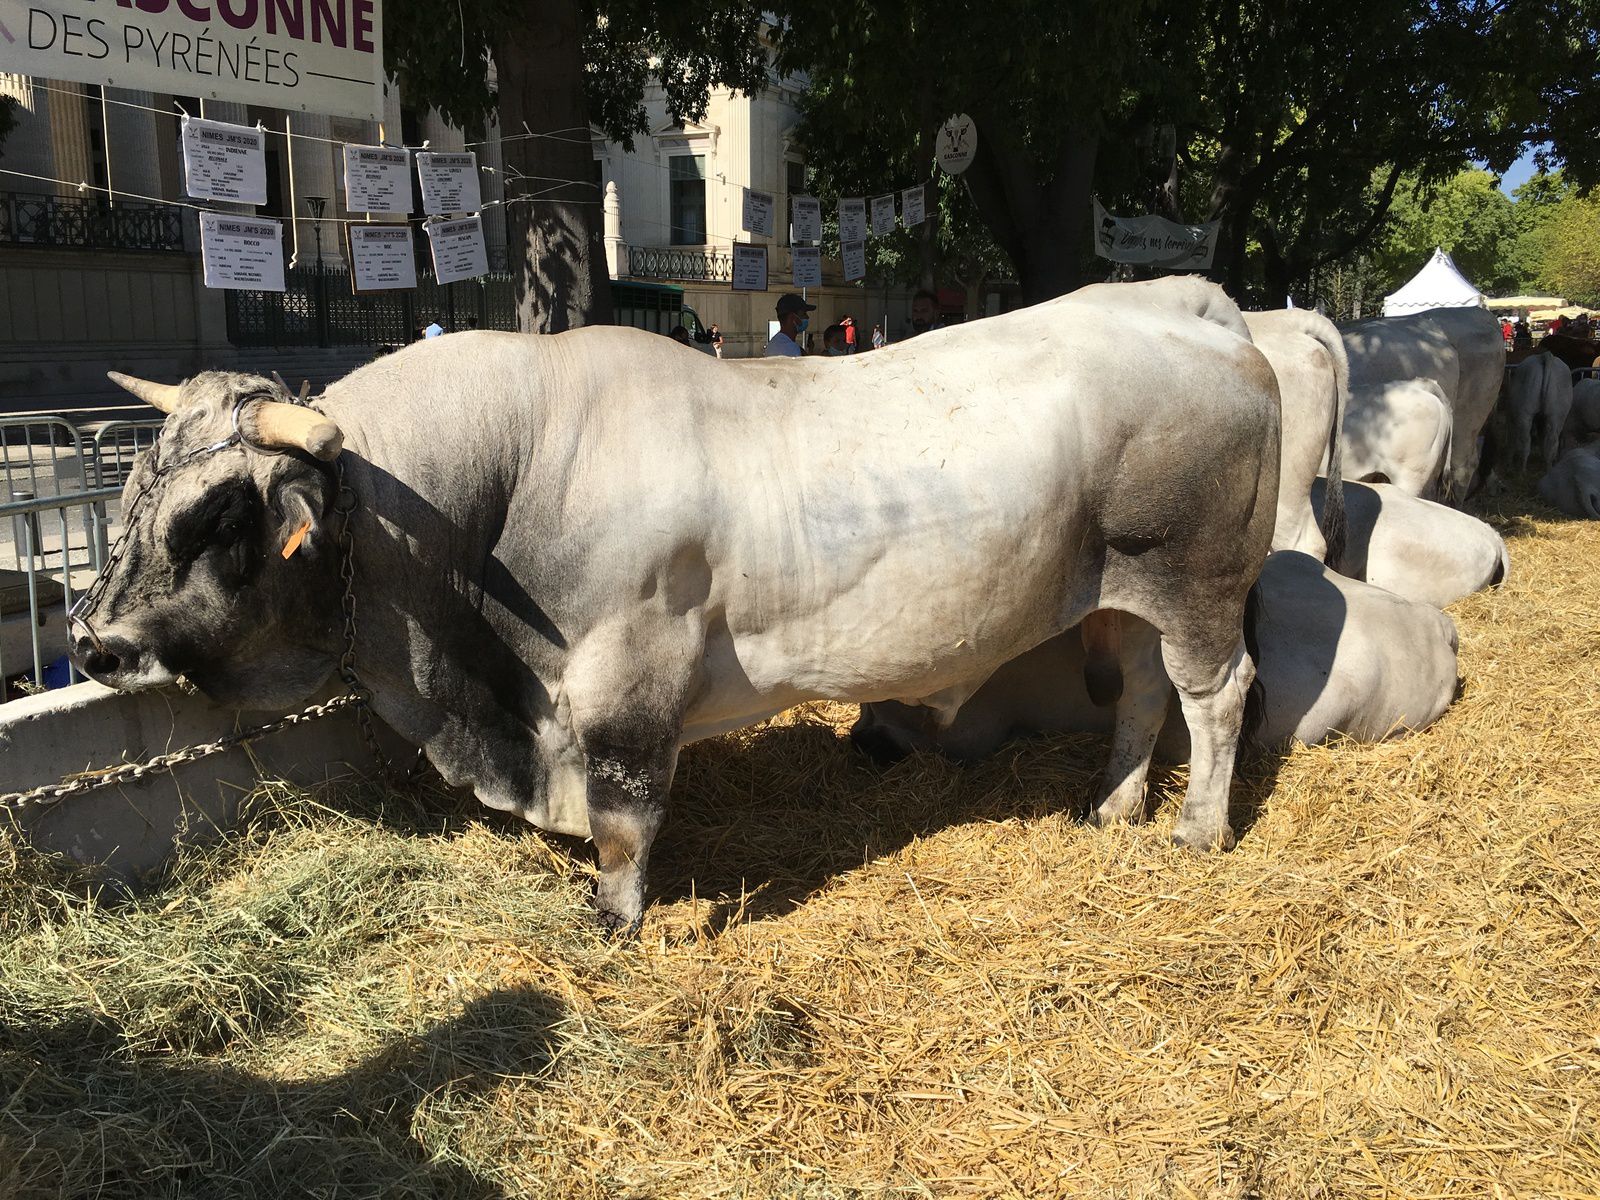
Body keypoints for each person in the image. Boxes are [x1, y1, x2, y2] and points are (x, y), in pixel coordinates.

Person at [765, 293, 814, 357]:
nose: (807, 317)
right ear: (792, 318)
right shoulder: (791, 349)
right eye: (803, 314)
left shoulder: (773, 344)